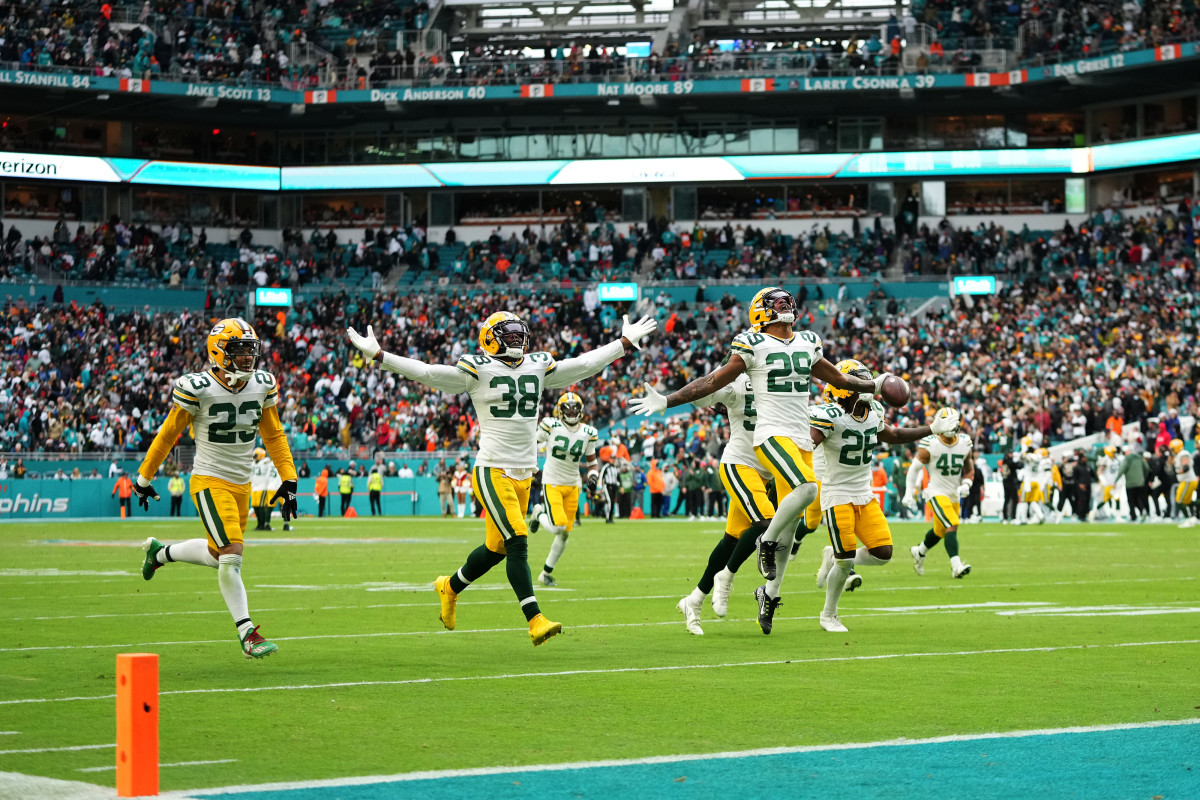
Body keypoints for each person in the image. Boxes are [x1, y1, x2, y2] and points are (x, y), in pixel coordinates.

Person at [347, 310, 655, 646]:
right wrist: (380, 356)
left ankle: (449, 588)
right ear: (490, 338)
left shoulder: (537, 363)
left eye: (518, 334)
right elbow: (428, 373)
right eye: (508, 335)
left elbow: (581, 365)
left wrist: (622, 343)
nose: (516, 341)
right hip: (492, 468)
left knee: (496, 549)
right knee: (518, 541)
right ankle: (535, 619)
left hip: (525, 472)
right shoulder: (477, 369)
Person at [630, 287, 886, 635]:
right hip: (753, 451)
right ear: (761, 313)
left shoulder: (807, 341)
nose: (786, 305)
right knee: (786, 509)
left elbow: (839, 379)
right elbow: (710, 382)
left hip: (791, 446)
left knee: (748, 535)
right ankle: (739, 569)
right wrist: (667, 401)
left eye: (787, 300)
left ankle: (704, 596)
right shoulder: (746, 358)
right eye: (777, 302)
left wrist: (875, 385)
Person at [134, 318, 297, 660]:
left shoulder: (262, 385)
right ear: (219, 352)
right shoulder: (198, 387)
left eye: (250, 350)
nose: (247, 358)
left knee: (216, 555)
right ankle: (247, 633)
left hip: (242, 483)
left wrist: (289, 478)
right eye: (238, 351)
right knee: (233, 554)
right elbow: (168, 435)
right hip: (209, 479)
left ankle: (160, 553)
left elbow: (274, 436)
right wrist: (144, 478)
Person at [814, 365, 961, 631]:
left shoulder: (873, 413)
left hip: (864, 493)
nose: (867, 387)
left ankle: (832, 557)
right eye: (860, 383)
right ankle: (829, 614)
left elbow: (893, 435)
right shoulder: (829, 415)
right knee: (845, 560)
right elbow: (806, 443)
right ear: (843, 388)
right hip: (836, 493)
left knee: (882, 553)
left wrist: (931, 429)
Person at [528, 392, 599, 587]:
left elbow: (592, 463)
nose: (571, 411)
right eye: (567, 408)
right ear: (560, 411)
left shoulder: (588, 432)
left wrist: (593, 478)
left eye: (575, 408)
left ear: (581, 410)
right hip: (552, 481)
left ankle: (545, 573)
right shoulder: (551, 425)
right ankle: (538, 512)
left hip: (573, 484)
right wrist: (531, 468)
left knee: (565, 533)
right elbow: (531, 444)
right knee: (558, 526)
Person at [906, 406, 975, 580]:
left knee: (940, 531)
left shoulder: (965, 442)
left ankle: (919, 552)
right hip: (935, 491)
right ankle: (956, 566)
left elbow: (969, 469)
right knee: (952, 523)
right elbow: (914, 469)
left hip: (953, 493)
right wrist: (909, 492)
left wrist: (966, 483)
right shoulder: (930, 443)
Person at [1118, 447, 1150, 522]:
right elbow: (1147, 468)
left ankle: (1133, 516)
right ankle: (1142, 511)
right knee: (1138, 498)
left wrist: (1115, 481)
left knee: (1131, 500)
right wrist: (1143, 478)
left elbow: (1122, 470)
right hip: (1140, 482)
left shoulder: (1127, 459)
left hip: (1130, 483)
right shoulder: (1139, 458)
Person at [1173, 439, 1197, 528]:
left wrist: (1178, 472)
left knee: (1179, 500)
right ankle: (1193, 518)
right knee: (1187, 502)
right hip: (1187, 481)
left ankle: (1188, 520)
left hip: (1188, 480)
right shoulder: (1180, 454)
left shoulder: (1183, 454)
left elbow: (1186, 466)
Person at [250, 448, 274, 531]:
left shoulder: (266, 462)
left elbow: (271, 464)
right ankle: (259, 524)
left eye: (256, 455)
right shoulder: (253, 463)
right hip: (254, 487)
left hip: (262, 486)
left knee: (261, 506)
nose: (254, 457)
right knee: (255, 505)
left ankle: (262, 525)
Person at [599, 457, 620, 523]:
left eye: (614, 459)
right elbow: (601, 476)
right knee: (609, 501)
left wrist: (619, 485)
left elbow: (618, 477)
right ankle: (608, 518)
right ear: (609, 459)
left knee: (613, 502)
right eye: (612, 459)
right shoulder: (606, 467)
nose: (613, 460)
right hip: (608, 486)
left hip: (614, 486)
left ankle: (610, 517)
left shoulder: (616, 468)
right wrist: (601, 487)